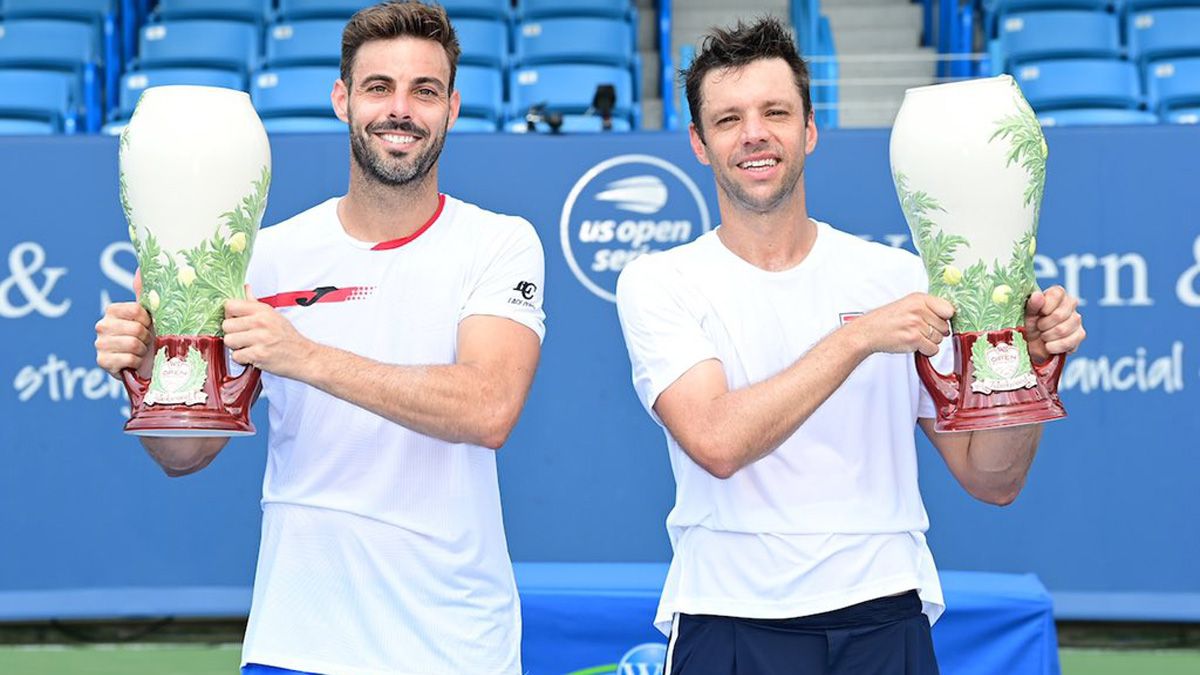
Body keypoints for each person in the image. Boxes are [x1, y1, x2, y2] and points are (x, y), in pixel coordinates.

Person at [614, 17, 1085, 675]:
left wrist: (1022, 375)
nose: (755, 133)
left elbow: (993, 478)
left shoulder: (893, 277)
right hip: (729, 614)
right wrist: (859, 336)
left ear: (810, 128)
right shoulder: (660, 280)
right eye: (728, 119)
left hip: (886, 614)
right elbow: (717, 441)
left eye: (775, 112)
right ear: (698, 142)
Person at [95, 3, 544, 674]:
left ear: (452, 107)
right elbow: (184, 452)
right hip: (296, 642)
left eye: (424, 91)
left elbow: (487, 408)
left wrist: (302, 355)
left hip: (454, 646)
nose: (400, 109)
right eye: (378, 88)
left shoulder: (500, 242)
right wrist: (142, 371)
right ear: (342, 99)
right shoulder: (259, 258)